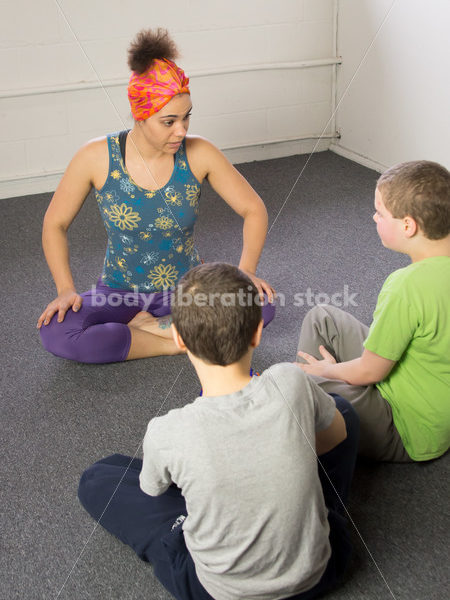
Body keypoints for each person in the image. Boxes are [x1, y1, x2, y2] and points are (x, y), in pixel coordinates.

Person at [78, 263, 360, 600]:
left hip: (216, 592)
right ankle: (306, 517)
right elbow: (336, 436)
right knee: (339, 409)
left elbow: (154, 489)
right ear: (257, 331)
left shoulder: (168, 431)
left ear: (179, 339)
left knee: (98, 477)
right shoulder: (291, 380)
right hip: (325, 568)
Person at [37, 28, 275, 363]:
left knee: (259, 306)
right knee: (57, 331)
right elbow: (54, 224)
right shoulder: (95, 157)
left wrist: (246, 270)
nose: (182, 130)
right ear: (140, 115)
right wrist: (65, 290)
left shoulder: (200, 153)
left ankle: (146, 333)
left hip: (188, 288)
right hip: (118, 292)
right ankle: (174, 338)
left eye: (187, 116)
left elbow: (254, 209)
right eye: (169, 121)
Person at [296, 160, 450, 462]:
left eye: (380, 212)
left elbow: (370, 371)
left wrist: (326, 371)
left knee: (293, 380)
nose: (374, 217)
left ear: (408, 225)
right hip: (413, 389)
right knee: (322, 317)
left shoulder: (406, 286)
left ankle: (303, 427)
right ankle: (312, 413)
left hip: (405, 427)